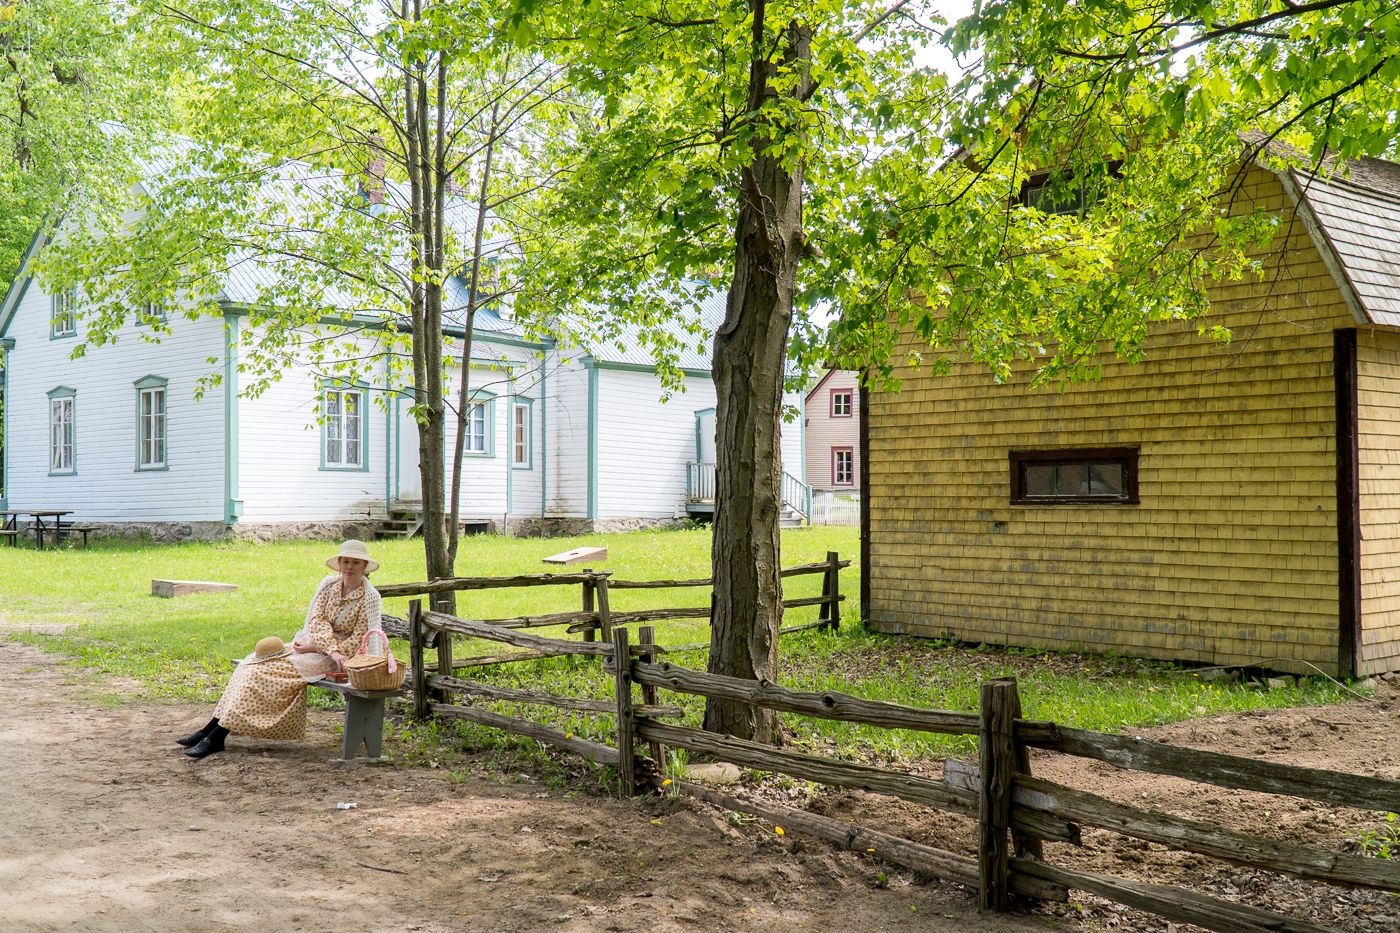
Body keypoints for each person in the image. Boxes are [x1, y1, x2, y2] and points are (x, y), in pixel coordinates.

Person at [178, 540, 384, 759]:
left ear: (364, 567)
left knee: (263, 675)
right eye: (345, 561)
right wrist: (317, 645)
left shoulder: (369, 598)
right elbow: (316, 620)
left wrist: (325, 650)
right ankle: (209, 729)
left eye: (355, 563)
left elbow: (357, 641)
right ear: (339, 564)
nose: (349, 567)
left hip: (337, 659)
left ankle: (217, 736)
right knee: (251, 664)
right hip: (312, 644)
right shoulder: (329, 585)